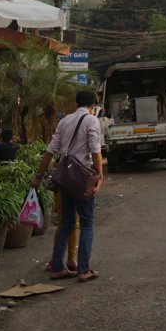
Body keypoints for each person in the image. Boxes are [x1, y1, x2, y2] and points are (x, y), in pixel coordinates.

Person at [32, 89, 104, 284]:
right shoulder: (91, 120)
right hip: (81, 181)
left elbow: (49, 151)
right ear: (93, 104)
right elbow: (95, 150)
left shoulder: (64, 121)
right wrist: (100, 175)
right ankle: (83, 270)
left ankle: (56, 267)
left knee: (66, 222)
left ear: (76, 103)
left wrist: (38, 176)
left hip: (64, 179)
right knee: (87, 223)